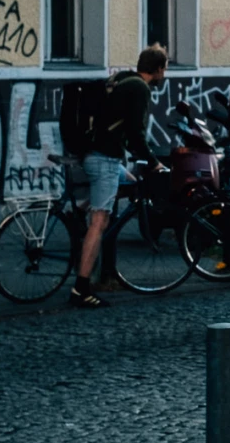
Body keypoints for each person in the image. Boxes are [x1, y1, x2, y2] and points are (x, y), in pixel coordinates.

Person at [66, 45, 169, 308]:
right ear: (158, 69)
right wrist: (154, 162)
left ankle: (82, 210)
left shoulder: (122, 79)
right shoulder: (140, 88)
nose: (164, 75)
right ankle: (81, 288)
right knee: (99, 222)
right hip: (104, 158)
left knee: (131, 185)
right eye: (164, 69)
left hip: (94, 153)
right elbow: (135, 132)